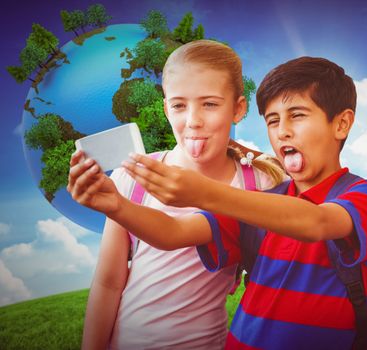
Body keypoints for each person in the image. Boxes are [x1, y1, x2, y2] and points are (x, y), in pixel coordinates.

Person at [69, 56, 367, 349]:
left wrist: (203, 192)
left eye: (297, 116)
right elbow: (172, 232)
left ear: (342, 123)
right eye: (273, 120)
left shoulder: (366, 193)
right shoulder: (260, 202)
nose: (283, 132)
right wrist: (116, 206)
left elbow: (316, 222)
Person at [71, 40, 284, 350]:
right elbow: (108, 282)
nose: (193, 120)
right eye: (179, 105)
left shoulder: (260, 181)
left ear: (238, 109)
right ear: (165, 108)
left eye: (210, 104)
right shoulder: (132, 177)